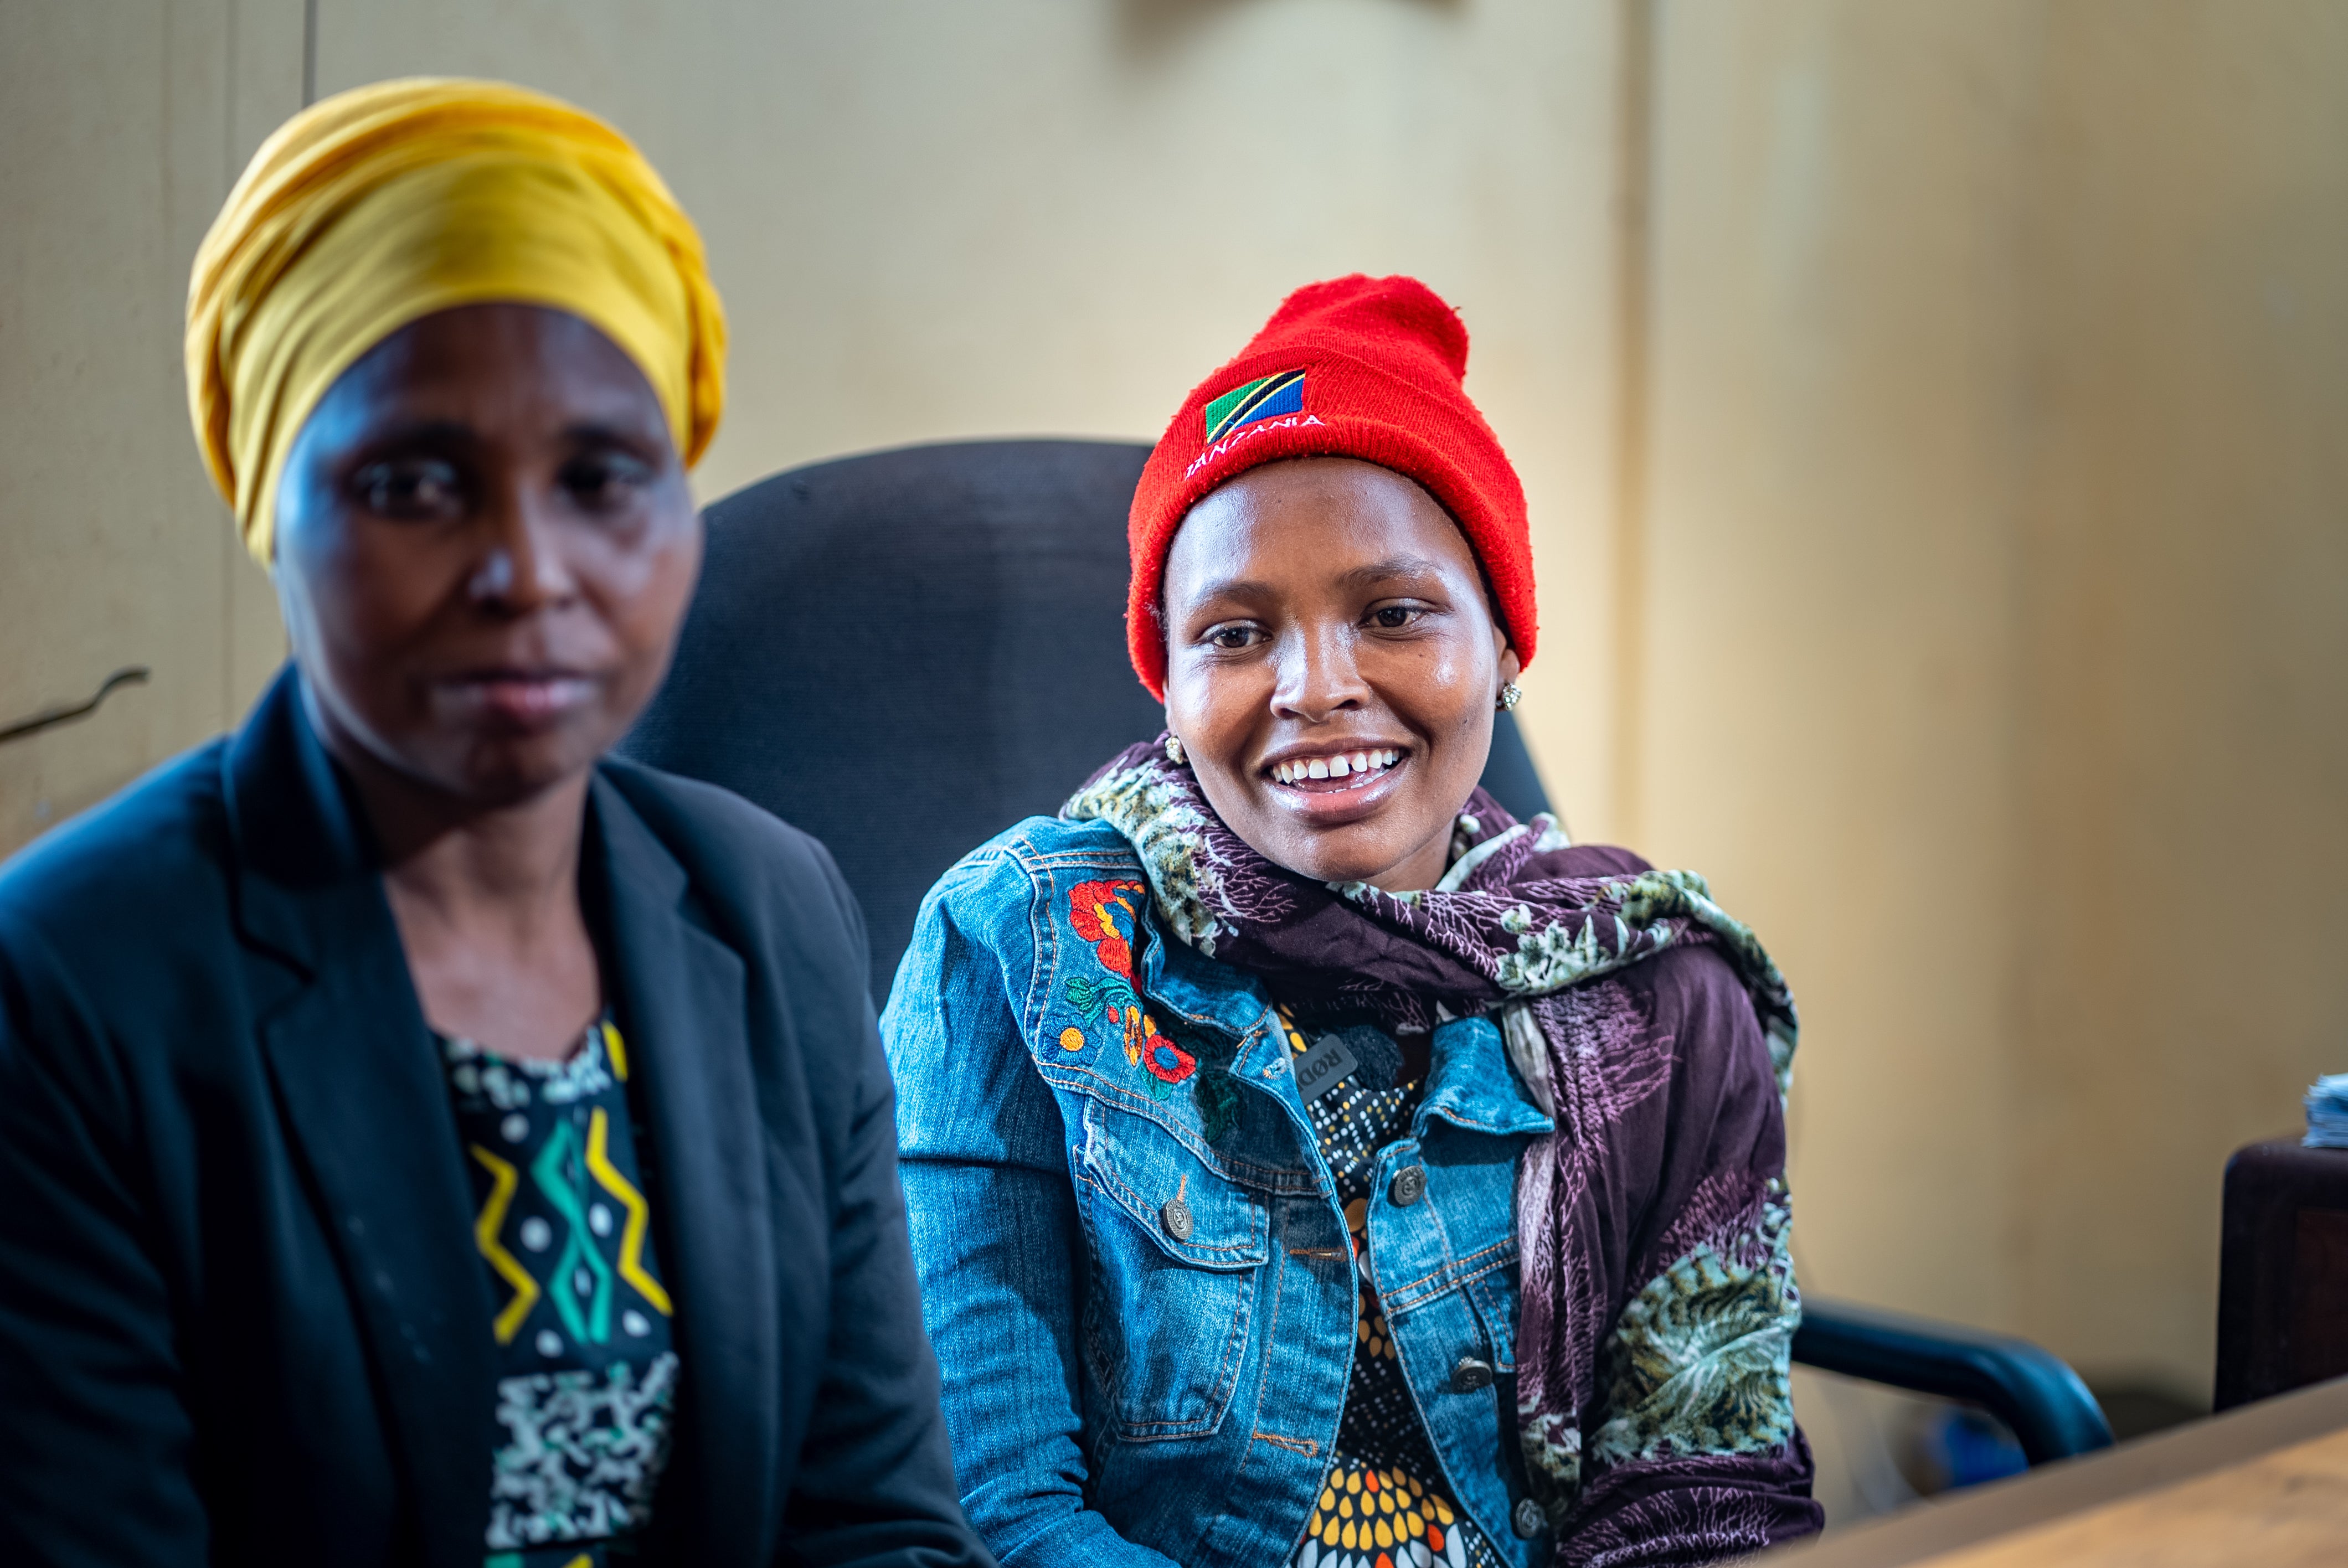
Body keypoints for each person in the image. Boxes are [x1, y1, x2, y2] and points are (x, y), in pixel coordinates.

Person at [0, 79, 990, 1568]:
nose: (528, 569)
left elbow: (872, 1525)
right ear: (278, 501)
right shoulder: (71, 982)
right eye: (415, 485)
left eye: (601, 480)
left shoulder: (771, 910)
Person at [883, 276, 1824, 1568]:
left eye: (1391, 614)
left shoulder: (1654, 997)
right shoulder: (1014, 947)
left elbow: (1698, 1501)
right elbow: (994, 1513)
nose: (1315, 689)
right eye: (1234, 633)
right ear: (1167, 676)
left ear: (1499, 642)